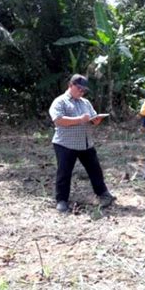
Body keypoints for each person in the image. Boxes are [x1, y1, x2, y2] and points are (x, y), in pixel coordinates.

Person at [49, 74, 116, 213]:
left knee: (95, 170)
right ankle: (61, 200)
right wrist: (79, 119)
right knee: (64, 172)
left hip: (85, 143)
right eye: (79, 89)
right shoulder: (60, 101)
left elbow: (91, 117)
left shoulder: (85, 103)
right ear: (71, 85)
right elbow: (58, 120)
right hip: (65, 143)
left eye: (84, 90)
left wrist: (95, 120)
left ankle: (103, 193)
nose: (81, 92)